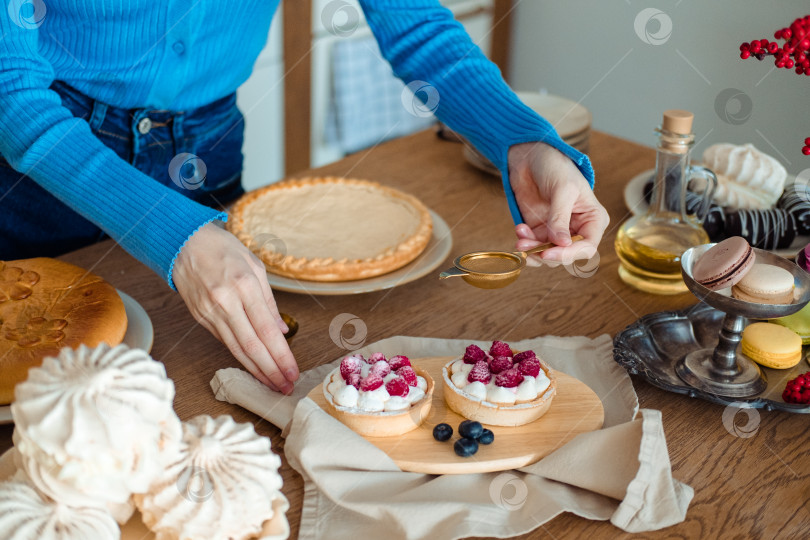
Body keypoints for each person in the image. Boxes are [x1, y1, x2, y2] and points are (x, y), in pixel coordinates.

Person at [0, 0, 609, 394]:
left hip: (204, 148)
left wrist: (524, 143)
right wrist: (173, 233)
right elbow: (11, 88)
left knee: (203, 390)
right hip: (50, 164)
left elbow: (419, 29)